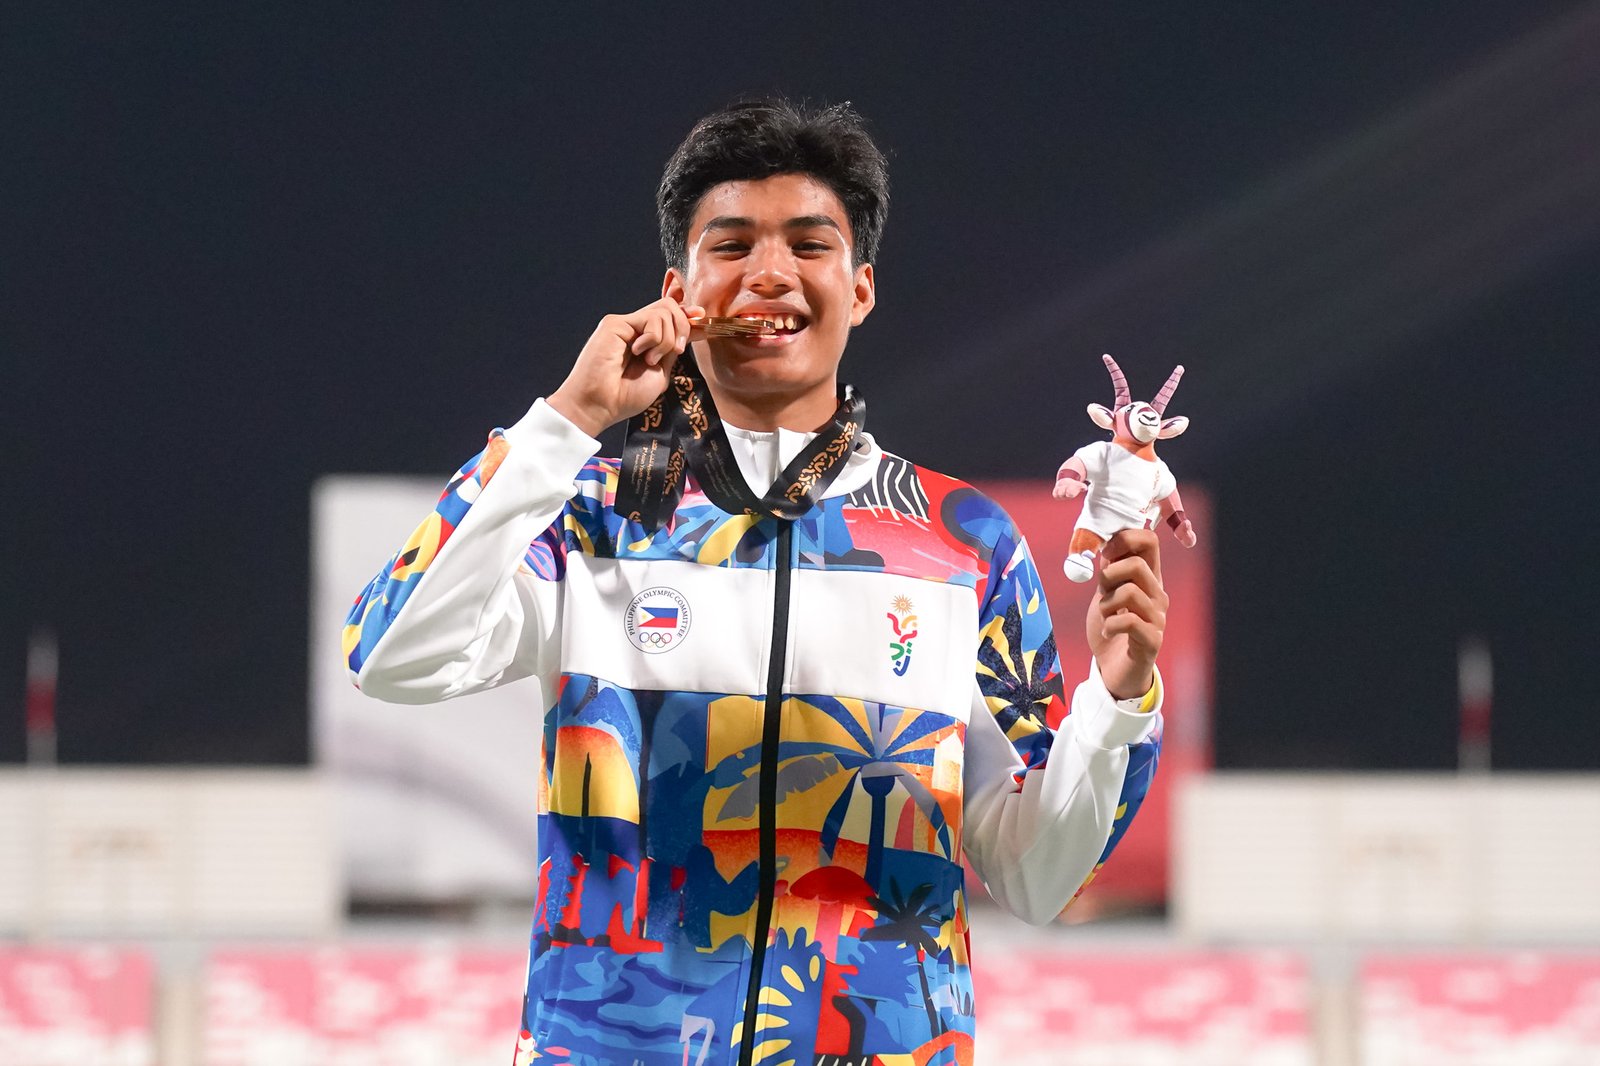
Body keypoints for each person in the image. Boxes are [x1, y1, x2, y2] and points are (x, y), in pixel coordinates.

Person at [345, 98, 1167, 1066]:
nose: (768, 273)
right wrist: (565, 419)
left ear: (859, 288)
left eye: (807, 244)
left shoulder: (962, 541)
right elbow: (391, 653)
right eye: (729, 245)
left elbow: (1036, 873)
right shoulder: (588, 517)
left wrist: (1116, 704)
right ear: (677, 289)